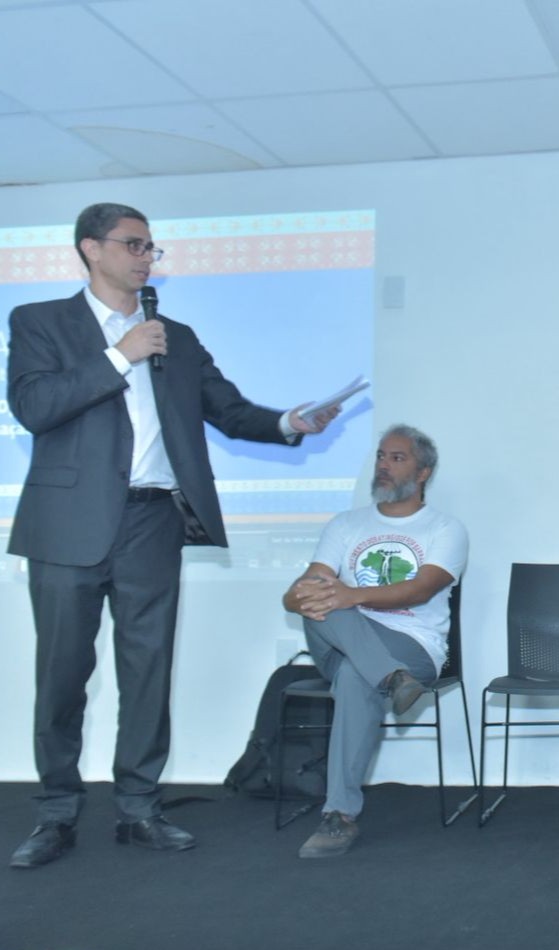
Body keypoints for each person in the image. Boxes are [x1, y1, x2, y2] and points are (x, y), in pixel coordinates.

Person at [7, 203, 337, 870]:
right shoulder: (41, 322)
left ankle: (139, 809)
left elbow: (229, 408)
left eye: (151, 248)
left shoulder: (174, 336)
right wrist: (115, 357)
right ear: (91, 249)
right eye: (133, 245)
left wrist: (290, 423)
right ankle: (55, 814)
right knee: (63, 674)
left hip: (151, 521)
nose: (145, 258)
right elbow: (35, 407)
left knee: (147, 672)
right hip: (67, 525)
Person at [281, 424, 468, 858]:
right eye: (382, 456)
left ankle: (339, 816)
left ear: (423, 472)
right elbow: (306, 587)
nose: (384, 465)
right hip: (340, 640)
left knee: (353, 675)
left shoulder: (445, 528)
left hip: (414, 646)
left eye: (397, 458)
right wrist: (296, 596)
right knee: (328, 602)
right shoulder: (345, 524)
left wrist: (349, 593)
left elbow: (420, 590)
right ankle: (391, 680)